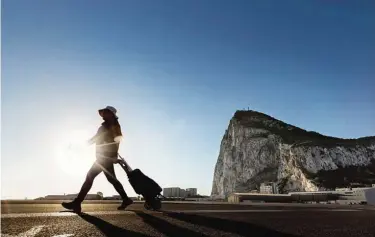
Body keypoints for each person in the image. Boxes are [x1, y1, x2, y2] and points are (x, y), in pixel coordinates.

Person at [62, 106, 133, 213]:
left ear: (111, 114)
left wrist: (113, 156)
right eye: (103, 112)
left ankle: (77, 203)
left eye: (105, 112)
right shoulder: (107, 125)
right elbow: (97, 139)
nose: (103, 114)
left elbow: (116, 140)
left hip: (104, 158)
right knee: (111, 179)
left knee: (90, 177)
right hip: (103, 157)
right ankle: (126, 199)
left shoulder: (112, 126)